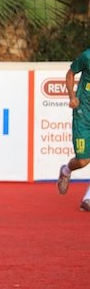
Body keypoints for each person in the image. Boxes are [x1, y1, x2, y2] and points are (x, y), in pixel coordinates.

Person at [56, 49, 90, 210]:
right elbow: (70, 74)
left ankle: (88, 199)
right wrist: (72, 97)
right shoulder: (87, 56)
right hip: (83, 114)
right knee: (83, 160)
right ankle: (66, 170)